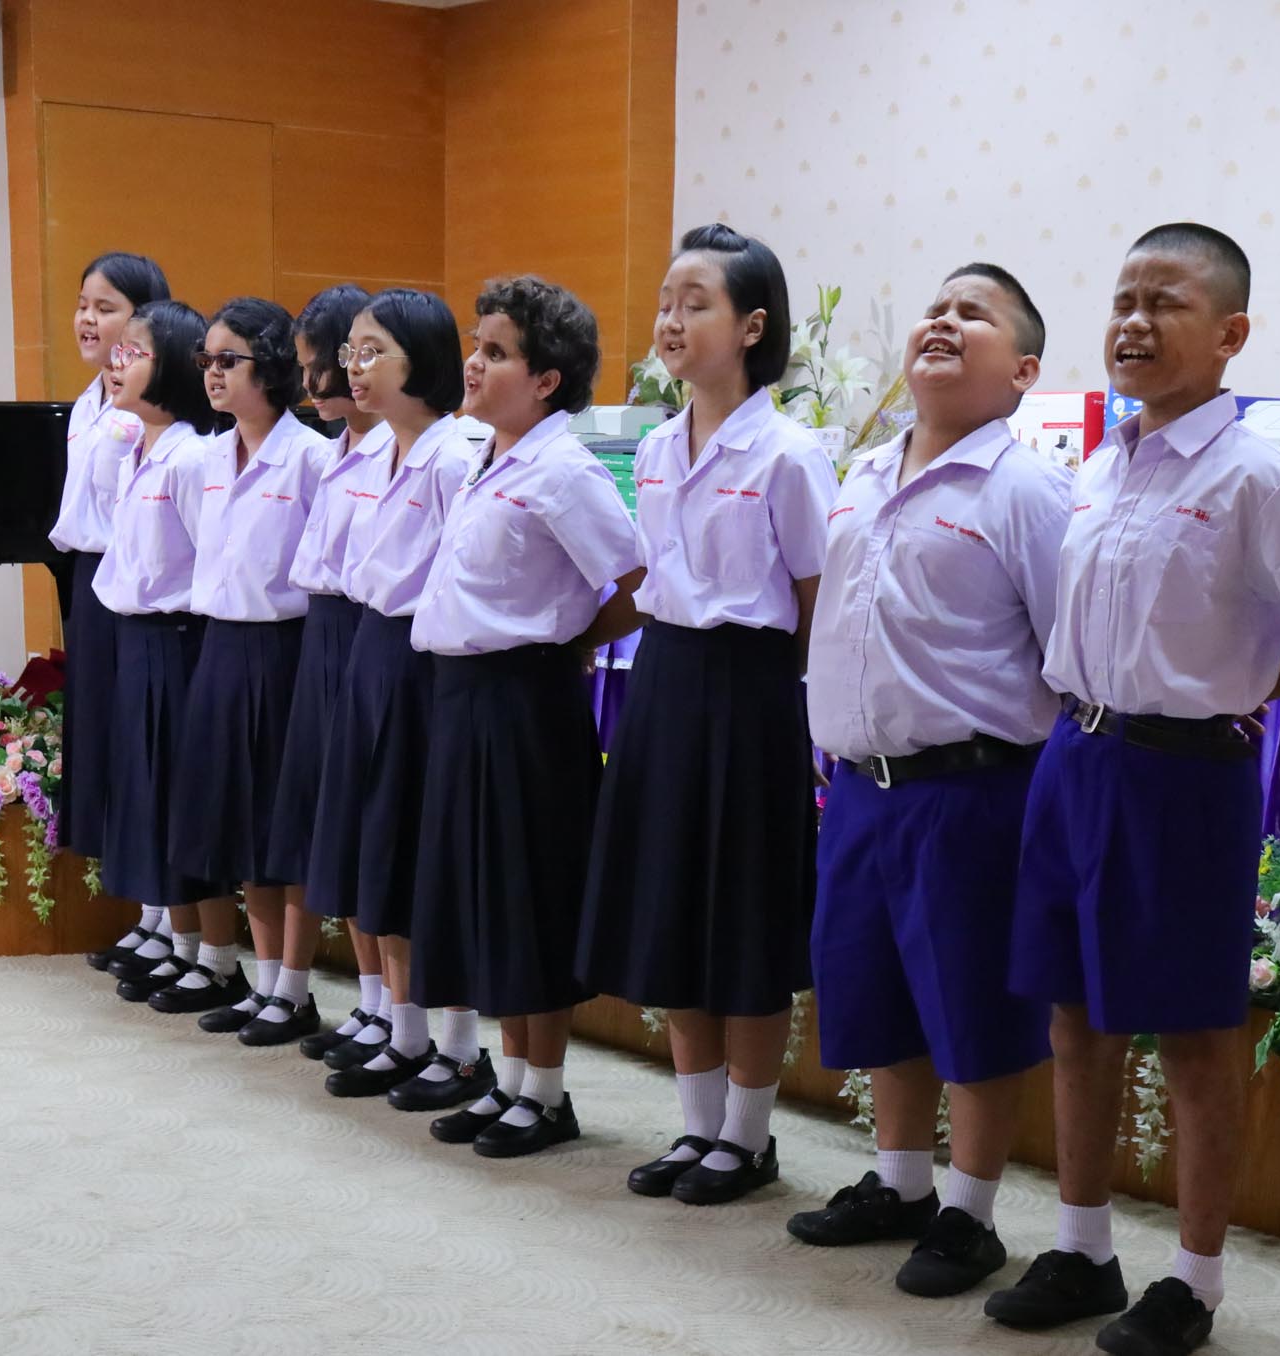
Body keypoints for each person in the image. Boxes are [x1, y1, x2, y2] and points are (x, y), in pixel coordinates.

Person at [986, 223, 1280, 1356]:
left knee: (1191, 1035)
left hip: (1180, 778)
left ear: (1229, 334)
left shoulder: (1260, 476)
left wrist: (1250, 683)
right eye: (1122, 300)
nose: (1133, 322)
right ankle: (1081, 1248)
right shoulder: (1098, 466)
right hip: (1076, 760)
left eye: (1163, 302)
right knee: (1074, 1016)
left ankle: (1193, 1281)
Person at [792, 263, 1070, 1304]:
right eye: (937, 308)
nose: (944, 322)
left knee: (972, 1009)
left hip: (970, 789)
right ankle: (901, 1182)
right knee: (878, 991)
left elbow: (1067, 652)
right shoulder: (863, 471)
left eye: (974, 315)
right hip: (861, 787)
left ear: (1022, 372)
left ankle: (971, 1212)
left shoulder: (1026, 491)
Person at [574, 224, 834, 1202]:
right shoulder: (651, 446)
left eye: (695, 303)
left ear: (751, 327)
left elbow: (816, 603)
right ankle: (697, 1127)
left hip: (752, 694)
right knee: (672, 906)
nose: (670, 321)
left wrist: (789, 717)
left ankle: (747, 1139)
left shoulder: (791, 455)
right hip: (665, 683)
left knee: (744, 919)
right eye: (664, 303)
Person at [406, 276, 642, 1158]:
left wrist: (569, 643)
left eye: (496, 352)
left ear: (546, 380)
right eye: (477, 345)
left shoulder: (564, 470)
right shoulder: (490, 458)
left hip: (525, 701)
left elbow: (636, 583)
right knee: (486, 890)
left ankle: (545, 1094)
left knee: (529, 891)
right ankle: (510, 1084)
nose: (473, 362)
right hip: (464, 695)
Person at [303, 289, 475, 1101]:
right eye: (351, 353)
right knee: (376, 841)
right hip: (370, 644)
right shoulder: (377, 453)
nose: (354, 368)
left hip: (423, 659)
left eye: (373, 352)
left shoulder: (455, 455)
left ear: (424, 359)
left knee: (419, 850)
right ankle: (403, 1030)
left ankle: (460, 1046)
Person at [163, 297, 327, 1026]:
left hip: (285, 650)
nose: (212, 373)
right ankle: (263, 983)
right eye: (206, 360)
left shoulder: (312, 456)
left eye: (229, 360)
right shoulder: (207, 456)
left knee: (282, 824)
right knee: (237, 819)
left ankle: (294, 987)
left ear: (274, 365)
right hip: (221, 644)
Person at [86, 300, 240, 1011]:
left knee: (186, 803)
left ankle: (218, 959)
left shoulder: (191, 456)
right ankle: (181, 946)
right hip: (137, 640)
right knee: (150, 797)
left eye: (134, 352)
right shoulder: (138, 449)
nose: (115, 362)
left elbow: (214, 558)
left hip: (180, 643)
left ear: (173, 366)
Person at [264, 285, 398, 1055]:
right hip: (324, 630)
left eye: (332, 362)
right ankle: (373, 1000)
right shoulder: (341, 448)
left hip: (363, 630)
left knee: (367, 821)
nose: (317, 381)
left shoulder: (395, 451)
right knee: (334, 822)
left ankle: (395, 1009)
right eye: (312, 364)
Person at [52, 252, 171, 976]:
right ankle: (146, 913)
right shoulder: (89, 401)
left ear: (143, 320)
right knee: (106, 739)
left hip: (131, 583)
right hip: (88, 578)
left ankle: (168, 917)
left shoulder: (148, 414)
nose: (88, 320)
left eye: (106, 308)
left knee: (141, 743)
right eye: (83, 305)